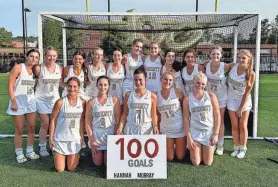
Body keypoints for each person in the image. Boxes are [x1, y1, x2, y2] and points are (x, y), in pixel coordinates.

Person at [7, 49, 40, 163]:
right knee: (20, 129)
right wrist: (14, 101)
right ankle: (19, 152)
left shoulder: (36, 71)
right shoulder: (18, 68)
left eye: (36, 57)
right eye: (31, 56)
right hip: (18, 103)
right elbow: (10, 85)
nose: (34, 59)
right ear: (26, 56)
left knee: (31, 128)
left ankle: (30, 151)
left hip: (31, 103)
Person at [49, 77, 86, 172]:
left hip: (74, 139)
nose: (72, 89)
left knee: (71, 168)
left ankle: (73, 155)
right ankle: (59, 154)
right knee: (60, 169)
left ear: (79, 87)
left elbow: (82, 120)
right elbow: (52, 120)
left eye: (75, 86)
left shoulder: (82, 103)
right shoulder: (60, 102)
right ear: (66, 87)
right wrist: (51, 138)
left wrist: (81, 136)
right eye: (69, 86)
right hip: (60, 139)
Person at [183, 72, 220, 166]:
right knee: (196, 162)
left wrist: (215, 134)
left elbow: (217, 116)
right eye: (198, 83)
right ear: (193, 82)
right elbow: (186, 118)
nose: (200, 85)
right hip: (195, 132)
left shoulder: (211, 96)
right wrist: (189, 137)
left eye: (203, 84)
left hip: (208, 132)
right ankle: (195, 147)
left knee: (207, 163)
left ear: (206, 84)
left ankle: (210, 147)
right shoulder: (187, 99)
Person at [33, 46, 63, 157]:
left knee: (54, 123)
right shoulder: (38, 68)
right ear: (45, 56)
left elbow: (60, 84)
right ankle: (42, 147)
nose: (51, 58)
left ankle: (53, 145)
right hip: (40, 100)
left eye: (54, 56)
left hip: (54, 101)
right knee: (45, 123)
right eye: (49, 55)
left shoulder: (59, 68)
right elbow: (33, 82)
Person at [85, 76, 121, 166]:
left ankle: (105, 152)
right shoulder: (91, 102)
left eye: (105, 85)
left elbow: (117, 120)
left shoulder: (114, 100)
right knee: (98, 163)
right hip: (97, 135)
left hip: (110, 134)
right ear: (97, 86)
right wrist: (92, 140)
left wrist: (115, 138)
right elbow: (88, 122)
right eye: (100, 85)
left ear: (109, 86)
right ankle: (94, 151)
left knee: (108, 164)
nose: (103, 87)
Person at [227, 50, 255, 159]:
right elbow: (220, 65)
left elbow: (247, 94)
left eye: (243, 58)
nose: (240, 60)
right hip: (231, 99)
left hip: (244, 101)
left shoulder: (251, 73)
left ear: (249, 59)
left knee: (242, 125)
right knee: (234, 125)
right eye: (239, 57)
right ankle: (236, 147)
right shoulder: (233, 66)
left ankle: (243, 148)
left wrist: (240, 109)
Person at [116, 66, 159, 135]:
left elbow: (153, 115)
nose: (138, 82)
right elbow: (125, 113)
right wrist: (120, 127)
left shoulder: (152, 96)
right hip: (130, 129)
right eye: (135, 80)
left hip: (146, 130)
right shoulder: (128, 95)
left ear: (145, 79)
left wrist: (155, 126)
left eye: (140, 79)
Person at [205, 45, 231, 155]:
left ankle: (220, 144)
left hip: (221, 98)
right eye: (213, 54)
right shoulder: (206, 65)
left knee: (219, 120)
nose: (215, 56)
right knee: (210, 119)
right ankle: (212, 142)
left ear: (221, 55)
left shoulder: (225, 66)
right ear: (210, 55)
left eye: (217, 54)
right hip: (209, 97)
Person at [157, 70, 186, 161]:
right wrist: (157, 128)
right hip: (166, 129)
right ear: (161, 80)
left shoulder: (178, 92)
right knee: (169, 158)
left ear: (173, 81)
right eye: (165, 79)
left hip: (179, 128)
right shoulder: (156, 95)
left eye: (170, 80)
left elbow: (185, 108)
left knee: (180, 157)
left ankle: (179, 143)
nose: (167, 82)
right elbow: (157, 115)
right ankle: (170, 145)